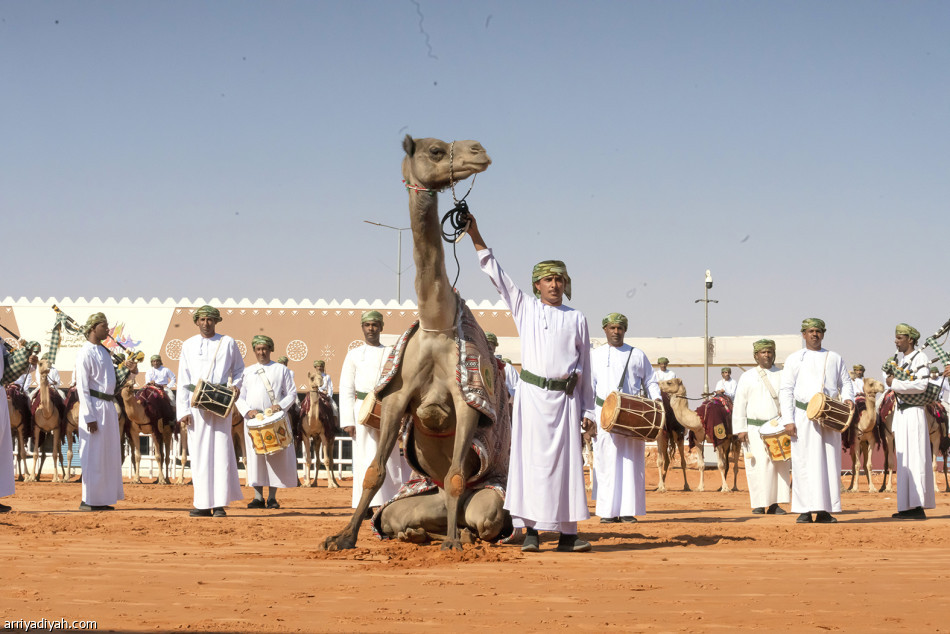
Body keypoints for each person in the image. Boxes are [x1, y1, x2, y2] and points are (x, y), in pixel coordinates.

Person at [468, 215, 594, 553]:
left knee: (567, 466)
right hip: (533, 397)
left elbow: (585, 367)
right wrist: (475, 233)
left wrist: (588, 409)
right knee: (532, 463)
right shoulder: (524, 307)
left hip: (566, 401)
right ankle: (533, 532)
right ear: (537, 284)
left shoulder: (577, 318)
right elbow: (495, 273)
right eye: (548, 279)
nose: (554, 285)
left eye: (559, 279)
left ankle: (569, 534)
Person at [585, 312, 660, 524]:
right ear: (605, 330)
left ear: (625, 330)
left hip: (632, 417)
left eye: (620, 328)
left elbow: (651, 380)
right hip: (605, 415)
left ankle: (628, 510)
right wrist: (588, 415)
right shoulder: (595, 356)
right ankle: (608, 512)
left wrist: (656, 401)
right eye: (612, 328)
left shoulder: (637, 354)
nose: (616, 331)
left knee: (630, 461)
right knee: (606, 462)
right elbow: (589, 389)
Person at [779, 318, 854, 524]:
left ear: (823, 334)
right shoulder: (795, 359)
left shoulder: (834, 358)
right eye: (811, 331)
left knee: (828, 462)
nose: (815, 334)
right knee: (803, 463)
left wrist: (848, 398)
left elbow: (845, 382)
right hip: (803, 417)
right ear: (803, 334)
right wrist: (788, 419)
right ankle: (804, 510)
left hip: (829, 417)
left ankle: (824, 510)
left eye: (818, 331)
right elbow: (786, 390)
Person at [176, 305, 245, 518]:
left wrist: (236, 386)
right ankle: (202, 503)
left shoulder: (228, 342)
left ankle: (220, 505)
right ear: (197, 321)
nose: (206, 323)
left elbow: (240, 370)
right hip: (196, 404)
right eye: (203, 319)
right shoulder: (188, 345)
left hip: (220, 402)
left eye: (210, 319)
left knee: (222, 451)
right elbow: (183, 379)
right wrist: (183, 410)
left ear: (216, 321)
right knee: (199, 454)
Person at [339, 310, 406, 510]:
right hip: (362, 410)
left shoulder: (391, 353)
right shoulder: (354, 354)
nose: (371, 329)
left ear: (381, 328)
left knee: (389, 455)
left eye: (375, 325)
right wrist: (348, 421)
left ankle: (388, 502)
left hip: (387, 409)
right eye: (367, 325)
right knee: (364, 456)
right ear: (362, 328)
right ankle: (365, 504)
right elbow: (346, 388)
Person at [74, 313, 131, 511]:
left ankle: (102, 498)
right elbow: (82, 386)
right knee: (93, 453)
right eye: (103, 326)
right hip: (94, 407)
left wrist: (129, 369)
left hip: (108, 406)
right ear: (92, 328)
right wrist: (89, 415)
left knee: (107, 453)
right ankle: (88, 499)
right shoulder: (85, 352)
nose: (107, 330)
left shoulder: (105, 352)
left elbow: (112, 381)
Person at [237, 335, 298, 510]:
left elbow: (292, 393)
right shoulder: (246, 371)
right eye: (258, 349)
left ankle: (272, 498)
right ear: (254, 351)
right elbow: (239, 397)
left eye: (264, 349)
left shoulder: (281, 369)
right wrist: (247, 411)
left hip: (275, 419)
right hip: (253, 420)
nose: (261, 352)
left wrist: (281, 405)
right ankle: (257, 497)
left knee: (275, 457)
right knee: (255, 457)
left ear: (270, 350)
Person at [732, 339, 790, 515]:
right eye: (763, 352)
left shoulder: (783, 375)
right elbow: (740, 404)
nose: (767, 355)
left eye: (769, 352)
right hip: (754, 430)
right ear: (756, 355)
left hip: (778, 429)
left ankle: (775, 504)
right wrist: (740, 429)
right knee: (756, 466)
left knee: (778, 466)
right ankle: (758, 503)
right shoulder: (747, 376)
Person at [885, 324, 934, 520]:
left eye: (899, 338)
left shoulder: (920, 358)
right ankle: (906, 506)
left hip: (914, 412)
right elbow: (888, 377)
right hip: (901, 413)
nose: (896, 341)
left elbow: (922, 385)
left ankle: (917, 506)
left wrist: (895, 383)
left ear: (910, 340)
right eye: (896, 338)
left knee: (915, 457)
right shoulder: (899, 359)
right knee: (904, 459)